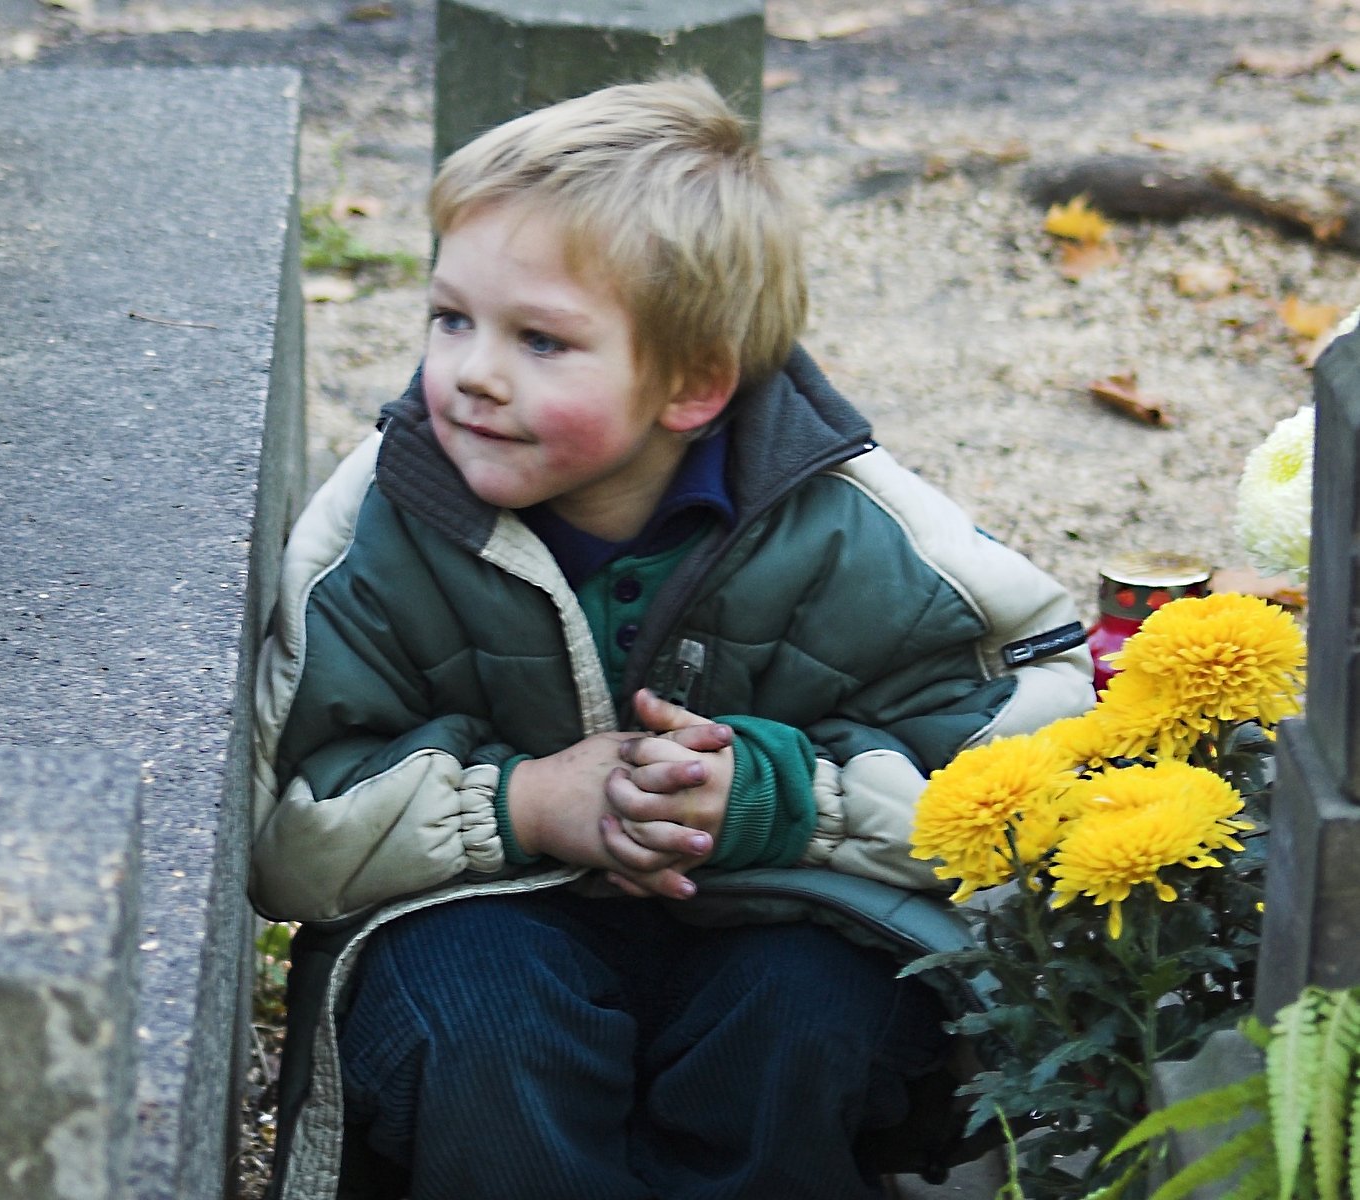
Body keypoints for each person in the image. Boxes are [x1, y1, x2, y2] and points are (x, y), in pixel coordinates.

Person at [248, 75, 1094, 1200]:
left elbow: (1037, 750)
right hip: (478, 919)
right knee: (487, 1031)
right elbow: (285, 826)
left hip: (792, 913)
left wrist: (789, 798)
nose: (470, 374)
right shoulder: (379, 525)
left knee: (800, 1027)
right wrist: (516, 804)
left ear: (692, 384)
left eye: (541, 341)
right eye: (450, 318)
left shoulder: (860, 528)